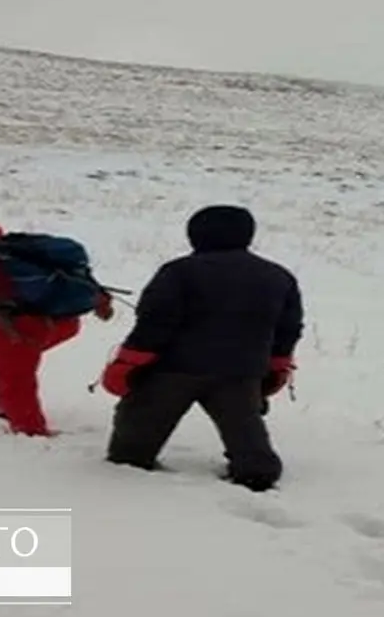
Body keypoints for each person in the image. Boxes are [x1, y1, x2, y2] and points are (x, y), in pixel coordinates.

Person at [96, 204, 303, 491]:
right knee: (245, 428)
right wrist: (277, 366)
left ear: (195, 235)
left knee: (136, 435)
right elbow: (288, 328)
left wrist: (128, 363)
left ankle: (131, 463)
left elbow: (154, 322)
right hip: (241, 372)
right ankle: (257, 473)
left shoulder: (178, 272)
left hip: (172, 371)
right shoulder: (278, 276)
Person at [0, 206, 114, 437]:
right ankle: (0, 402)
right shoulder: (13, 248)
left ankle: (30, 430)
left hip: (17, 324)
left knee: (15, 377)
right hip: (62, 321)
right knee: (5, 360)